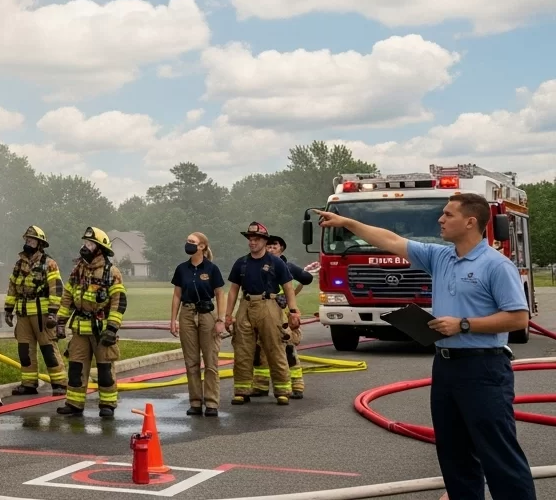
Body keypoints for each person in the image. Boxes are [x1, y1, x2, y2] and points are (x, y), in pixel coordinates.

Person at [317, 195, 535, 500]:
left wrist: (463, 324)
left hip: (483, 367)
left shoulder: (496, 265)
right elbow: (391, 239)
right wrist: (348, 223)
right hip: (446, 366)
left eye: (447, 214)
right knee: (454, 453)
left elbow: (518, 317)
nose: (440, 220)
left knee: (498, 454)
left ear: (471, 222)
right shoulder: (440, 257)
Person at [224, 222, 301, 405]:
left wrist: (293, 311)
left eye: (256, 239)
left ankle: (282, 391)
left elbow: (289, 288)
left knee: (274, 348)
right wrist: (228, 315)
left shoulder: (276, 263)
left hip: (270, 305)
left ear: (264, 241)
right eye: (250, 239)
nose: (252, 242)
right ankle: (242, 390)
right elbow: (234, 290)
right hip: (246, 305)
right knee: (242, 350)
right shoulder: (241, 263)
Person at [55, 227, 126, 418]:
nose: (84, 247)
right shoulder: (77, 271)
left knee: (104, 370)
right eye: (85, 243)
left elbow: (119, 303)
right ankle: (74, 403)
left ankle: (108, 404)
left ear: (100, 249)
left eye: (90, 244)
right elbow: (67, 297)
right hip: (80, 329)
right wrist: (60, 322)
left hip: (102, 330)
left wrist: (112, 328)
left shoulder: (112, 272)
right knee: (76, 368)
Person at [4, 225, 67, 396]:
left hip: (42, 315)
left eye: (31, 240)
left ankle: (60, 384)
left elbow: (56, 289)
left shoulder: (49, 263)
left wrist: (53, 312)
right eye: (26, 240)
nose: (27, 242)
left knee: (48, 350)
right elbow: (12, 288)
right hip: (23, 314)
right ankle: (29, 384)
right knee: (25, 350)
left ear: (39, 244)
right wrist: (8, 309)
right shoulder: (19, 264)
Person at [170, 231, 225, 416]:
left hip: (207, 314)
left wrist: (221, 320)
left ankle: (211, 403)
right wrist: (173, 320)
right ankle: (195, 402)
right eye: (187, 241)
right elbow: (177, 295)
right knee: (191, 361)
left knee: (210, 360)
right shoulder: (181, 269)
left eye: (192, 242)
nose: (188, 244)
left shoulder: (211, 269)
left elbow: (220, 294)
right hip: (187, 313)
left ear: (202, 246)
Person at [252, 235, 313, 398]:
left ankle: (297, 386)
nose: (271, 248)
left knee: (287, 348)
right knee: (259, 348)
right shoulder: (258, 265)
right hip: (261, 312)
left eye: (275, 246)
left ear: (282, 249)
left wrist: (303, 273)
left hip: (282, 313)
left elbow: (306, 279)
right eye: (269, 246)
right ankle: (260, 385)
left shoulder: (287, 267)